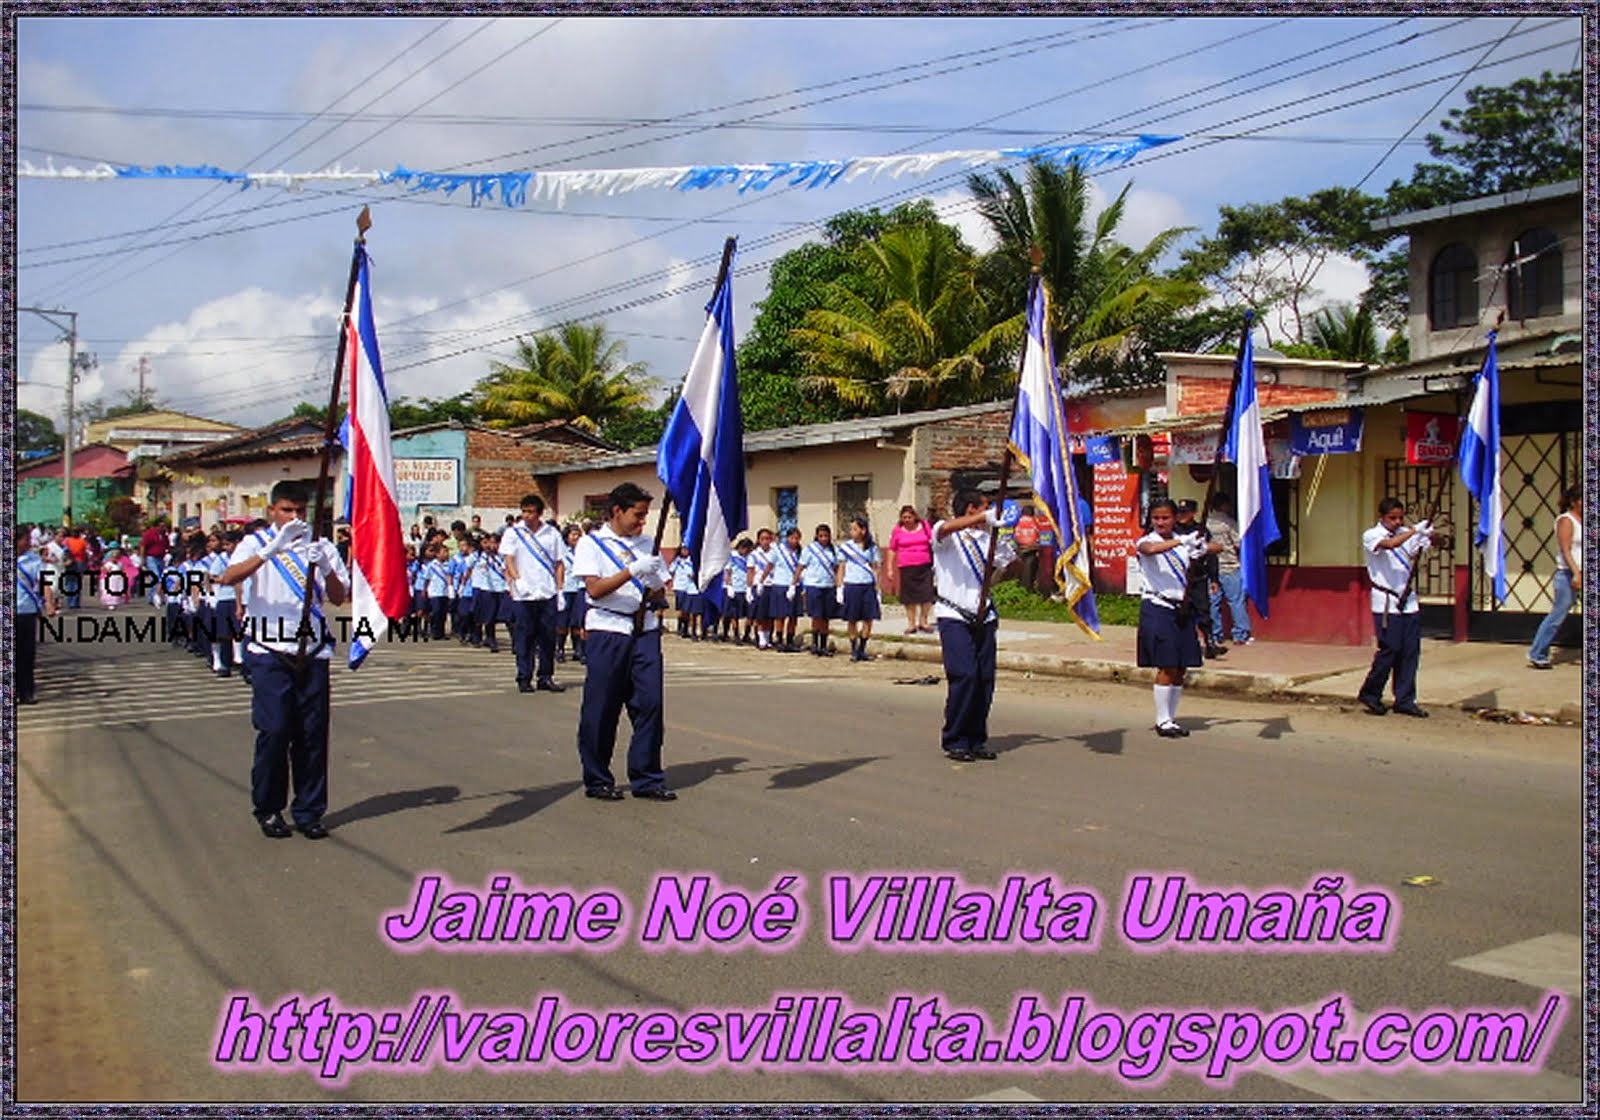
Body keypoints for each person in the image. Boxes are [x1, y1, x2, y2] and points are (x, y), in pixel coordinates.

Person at [218, 481, 350, 839]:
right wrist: (272, 550)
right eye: (287, 510)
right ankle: (269, 807)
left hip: (312, 652)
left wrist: (326, 565)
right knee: (275, 731)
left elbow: (339, 597)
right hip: (269, 651)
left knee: (311, 736)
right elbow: (229, 577)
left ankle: (308, 811)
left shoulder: (319, 546)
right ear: (272, 511)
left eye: (300, 511)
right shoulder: (255, 543)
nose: (295, 518)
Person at [571, 482, 676, 802]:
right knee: (602, 707)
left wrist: (655, 584)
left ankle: (646, 777)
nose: (642, 522)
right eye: (637, 515)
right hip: (607, 629)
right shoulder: (592, 543)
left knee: (650, 705)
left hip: (643, 629)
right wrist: (632, 571)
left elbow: (661, 593)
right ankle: (598, 778)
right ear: (617, 511)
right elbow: (595, 589)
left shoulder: (648, 544)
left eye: (645, 516)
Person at [931, 492, 1013, 762]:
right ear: (971, 509)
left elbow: (1008, 569)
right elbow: (943, 529)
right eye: (985, 508)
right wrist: (980, 518)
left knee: (984, 680)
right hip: (953, 613)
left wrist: (1018, 543)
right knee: (964, 675)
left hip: (984, 615)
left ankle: (976, 738)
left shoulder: (989, 540)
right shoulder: (948, 535)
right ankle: (955, 738)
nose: (989, 513)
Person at [1136, 499, 1209, 738]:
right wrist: (1181, 540)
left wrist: (1202, 546)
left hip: (1182, 608)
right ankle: (1162, 720)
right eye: (1156, 518)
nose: (1160, 522)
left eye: (1165, 517)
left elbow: (1213, 548)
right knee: (1166, 664)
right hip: (1158, 606)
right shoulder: (1148, 541)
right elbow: (1149, 551)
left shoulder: (1182, 545)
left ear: (1175, 518)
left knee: (1181, 666)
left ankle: (1172, 717)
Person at [1356, 497, 1433, 718]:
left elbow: (1431, 545)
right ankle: (1371, 692)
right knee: (1390, 649)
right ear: (1382, 517)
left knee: (1410, 652)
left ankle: (1405, 699)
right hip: (1386, 603)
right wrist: (1412, 531)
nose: (1397, 522)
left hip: (1408, 601)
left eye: (1400, 518)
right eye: (1392, 518)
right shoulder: (1372, 535)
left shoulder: (1405, 534)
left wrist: (1427, 534)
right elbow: (1390, 545)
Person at [501, 493, 566, 693]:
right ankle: (524, 677)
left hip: (546, 593)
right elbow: (509, 559)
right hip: (524, 594)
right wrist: (517, 580)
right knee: (525, 637)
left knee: (547, 638)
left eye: (531, 512)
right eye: (524, 511)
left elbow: (559, 563)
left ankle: (545, 677)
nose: (527, 515)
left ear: (540, 513)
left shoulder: (551, 534)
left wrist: (560, 589)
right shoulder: (514, 533)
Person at [1529, 486, 1582, 669]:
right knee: (1557, 615)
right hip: (1568, 574)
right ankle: (1538, 653)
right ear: (1574, 501)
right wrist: (1576, 573)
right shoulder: (1566, 521)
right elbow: (1566, 550)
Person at [1175, 499, 1225, 659]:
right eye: (1180, 512)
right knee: (1179, 612)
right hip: (1178, 578)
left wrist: (1214, 578)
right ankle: (1180, 644)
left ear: (1193, 513)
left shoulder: (1200, 531)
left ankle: (1209, 643)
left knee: (1203, 611)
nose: (1181, 516)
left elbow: (1211, 555)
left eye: (1185, 512)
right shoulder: (1172, 530)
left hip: (1198, 577)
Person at [1205, 493, 1253, 647]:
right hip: (1230, 567)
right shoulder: (1229, 523)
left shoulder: (1206, 523)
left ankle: (1215, 634)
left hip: (1211, 569)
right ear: (1224, 505)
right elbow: (1239, 544)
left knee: (1213, 603)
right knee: (1236, 602)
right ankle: (1240, 634)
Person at [16, 532, 56, 705]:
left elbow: (44, 582)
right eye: (26, 539)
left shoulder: (33, 560)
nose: (29, 542)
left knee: (26, 654)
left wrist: (49, 603)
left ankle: (27, 692)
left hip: (27, 611)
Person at [836, 516, 881, 661]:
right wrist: (840, 587)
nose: (852, 532)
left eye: (855, 529)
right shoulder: (846, 548)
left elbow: (876, 568)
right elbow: (841, 568)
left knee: (868, 619)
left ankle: (862, 648)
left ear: (863, 530)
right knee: (852, 619)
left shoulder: (872, 548)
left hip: (867, 585)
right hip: (852, 585)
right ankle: (854, 649)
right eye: (851, 529)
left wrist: (878, 588)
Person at [889, 505, 936, 635]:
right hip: (906, 566)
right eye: (904, 517)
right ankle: (911, 623)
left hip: (924, 565)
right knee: (909, 597)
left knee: (926, 594)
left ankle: (923, 621)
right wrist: (889, 569)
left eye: (909, 517)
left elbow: (933, 541)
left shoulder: (925, 526)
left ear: (914, 516)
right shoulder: (898, 531)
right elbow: (892, 549)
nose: (907, 519)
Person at [800, 524, 839, 657]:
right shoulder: (809, 549)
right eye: (821, 536)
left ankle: (823, 644)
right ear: (816, 536)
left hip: (828, 586)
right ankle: (815, 644)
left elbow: (837, 568)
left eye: (826, 536)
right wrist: (795, 584)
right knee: (816, 616)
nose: (823, 539)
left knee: (826, 617)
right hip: (814, 585)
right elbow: (801, 566)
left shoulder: (833, 550)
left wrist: (839, 586)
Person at [557, 524, 589, 663]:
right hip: (566, 588)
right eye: (573, 534)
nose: (576, 537)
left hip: (580, 588)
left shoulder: (584, 552)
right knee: (563, 622)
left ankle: (578, 649)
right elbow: (559, 570)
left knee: (578, 621)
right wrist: (559, 588)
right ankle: (560, 649)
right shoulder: (563, 553)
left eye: (578, 534)